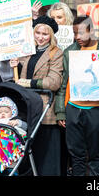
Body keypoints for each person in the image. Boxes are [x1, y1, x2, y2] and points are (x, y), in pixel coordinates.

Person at [55, 15, 99, 176]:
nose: (77, 37)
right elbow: (63, 82)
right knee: (76, 155)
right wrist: (61, 110)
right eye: (75, 33)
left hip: (96, 109)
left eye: (81, 33)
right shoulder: (70, 51)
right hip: (73, 108)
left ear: (92, 31)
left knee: (95, 155)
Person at [9, 15, 63, 176]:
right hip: (28, 108)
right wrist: (16, 66)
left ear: (51, 36)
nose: (40, 37)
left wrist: (30, 83)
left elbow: (54, 82)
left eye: (45, 34)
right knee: (28, 155)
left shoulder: (56, 53)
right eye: (37, 32)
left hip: (45, 110)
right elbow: (20, 78)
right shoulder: (28, 51)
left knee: (45, 157)